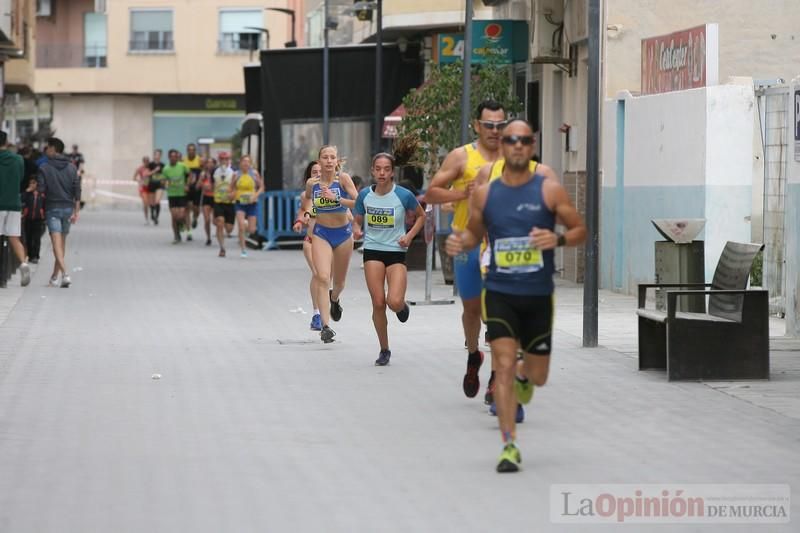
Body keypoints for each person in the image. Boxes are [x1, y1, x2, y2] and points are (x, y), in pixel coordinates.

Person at [446, 119, 586, 473]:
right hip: (500, 292)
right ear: (502, 147)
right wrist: (458, 242)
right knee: (503, 366)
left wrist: (558, 240)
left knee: (537, 376)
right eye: (510, 140)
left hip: (538, 295)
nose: (517, 146)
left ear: (532, 145)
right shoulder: (486, 193)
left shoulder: (549, 189)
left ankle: (527, 375)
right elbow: (473, 234)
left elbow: (580, 229)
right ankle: (508, 444)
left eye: (524, 140)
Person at [424, 99, 506, 401]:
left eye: (500, 125)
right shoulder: (462, 157)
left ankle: (497, 379)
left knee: (496, 313)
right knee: (472, 310)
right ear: (477, 126)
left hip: (500, 247)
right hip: (465, 244)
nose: (495, 131)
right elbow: (431, 193)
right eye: (489, 125)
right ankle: (474, 355)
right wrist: (462, 192)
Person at [353, 149, 425, 365]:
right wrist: (356, 228)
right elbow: (357, 218)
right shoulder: (365, 195)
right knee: (378, 303)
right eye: (378, 169)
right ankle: (384, 349)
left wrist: (410, 236)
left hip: (396, 252)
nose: (382, 173)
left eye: (386, 169)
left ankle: (402, 307)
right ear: (372, 171)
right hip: (373, 250)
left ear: (392, 172)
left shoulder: (403, 195)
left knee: (393, 301)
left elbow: (421, 216)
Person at [305, 145, 360, 343]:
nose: (329, 161)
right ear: (318, 161)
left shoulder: (343, 180)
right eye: (325, 157)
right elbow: (308, 202)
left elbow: (359, 202)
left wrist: (338, 199)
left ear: (337, 161)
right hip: (322, 233)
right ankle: (325, 327)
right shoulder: (312, 184)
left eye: (332, 157)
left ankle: (334, 299)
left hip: (343, 235)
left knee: (339, 283)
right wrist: (306, 216)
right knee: (321, 276)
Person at [37, 137, 81, 288]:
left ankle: (65, 274)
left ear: (53, 149)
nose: (46, 150)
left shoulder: (44, 167)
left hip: (52, 208)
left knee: (56, 244)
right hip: (68, 209)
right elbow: (77, 190)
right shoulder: (72, 167)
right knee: (61, 244)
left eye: (47, 147)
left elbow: (41, 190)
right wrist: (76, 211)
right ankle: (54, 277)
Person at [293, 160, 323, 331]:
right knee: (318, 274)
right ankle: (316, 314)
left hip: (329, 243)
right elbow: (303, 209)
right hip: (310, 242)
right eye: (314, 172)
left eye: (320, 171)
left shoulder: (332, 192)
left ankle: (331, 303)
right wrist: (300, 220)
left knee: (326, 278)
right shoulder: (306, 195)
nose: (318, 174)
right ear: (309, 176)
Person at [0, 131, 31, 287]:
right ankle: (23, 263)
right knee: (14, 237)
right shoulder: (18, 159)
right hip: (14, 203)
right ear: (6, 142)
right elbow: (20, 178)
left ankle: (1, 277)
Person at [230, 155, 264, 258]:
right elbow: (231, 188)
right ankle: (243, 250)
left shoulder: (254, 173)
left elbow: (262, 187)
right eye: (244, 161)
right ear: (240, 163)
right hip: (240, 202)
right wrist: (232, 194)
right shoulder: (236, 174)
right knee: (241, 226)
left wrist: (255, 196)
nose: (246, 163)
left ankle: (246, 224)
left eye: (248, 162)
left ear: (250, 163)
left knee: (252, 230)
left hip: (252, 203)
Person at [162, 149, 190, 244]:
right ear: (169, 157)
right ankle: (176, 236)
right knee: (174, 217)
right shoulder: (166, 169)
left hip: (182, 194)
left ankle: (181, 224)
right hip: (172, 195)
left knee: (181, 215)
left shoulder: (182, 166)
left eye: (175, 156)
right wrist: (165, 183)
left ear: (177, 157)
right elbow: (163, 180)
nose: (174, 158)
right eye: (172, 157)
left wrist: (187, 185)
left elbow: (190, 175)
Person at [212, 152, 236, 257]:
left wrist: (233, 193)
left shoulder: (233, 171)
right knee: (220, 223)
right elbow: (212, 185)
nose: (224, 161)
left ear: (229, 160)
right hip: (218, 202)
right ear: (219, 160)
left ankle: (227, 230)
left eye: (226, 159)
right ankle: (222, 248)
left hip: (230, 203)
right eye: (222, 159)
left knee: (229, 228)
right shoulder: (215, 171)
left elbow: (237, 186)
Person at [21, 177, 46, 265]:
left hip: (38, 219)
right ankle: (29, 254)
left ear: (37, 184)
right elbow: (21, 199)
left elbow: (44, 205)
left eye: (34, 183)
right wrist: (27, 191)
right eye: (30, 183)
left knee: (36, 238)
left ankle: (35, 256)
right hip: (28, 218)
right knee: (28, 237)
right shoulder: (27, 194)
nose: (32, 185)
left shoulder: (41, 194)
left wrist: (44, 216)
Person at [182, 143, 203, 233]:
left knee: (196, 208)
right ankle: (188, 230)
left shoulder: (199, 160)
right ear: (187, 151)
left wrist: (199, 182)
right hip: (187, 187)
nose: (191, 151)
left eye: (193, 150)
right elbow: (181, 174)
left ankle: (195, 218)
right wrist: (184, 185)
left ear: (195, 151)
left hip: (197, 187)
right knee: (187, 208)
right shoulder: (183, 160)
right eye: (189, 150)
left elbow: (203, 173)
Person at [199, 157, 216, 246]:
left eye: (211, 162)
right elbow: (198, 185)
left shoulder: (217, 173)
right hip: (206, 197)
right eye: (208, 162)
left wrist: (212, 187)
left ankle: (218, 233)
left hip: (215, 198)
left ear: (214, 164)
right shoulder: (203, 174)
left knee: (215, 221)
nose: (209, 164)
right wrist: (202, 183)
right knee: (207, 220)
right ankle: (208, 238)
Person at [147, 149, 166, 225]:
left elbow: (165, 175)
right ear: (154, 155)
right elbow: (147, 174)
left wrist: (164, 181)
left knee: (157, 201)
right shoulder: (150, 164)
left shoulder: (163, 165)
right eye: (155, 154)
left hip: (160, 185)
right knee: (151, 203)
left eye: (158, 155)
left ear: (160, 156)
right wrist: (154, 171)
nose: (157, 156)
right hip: (151, 184)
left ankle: (156, 217)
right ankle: (152, 214)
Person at [133, 156, 151, 224]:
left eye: (147, 161)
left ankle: (152, 216)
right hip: (143, 188)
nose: (146, 163)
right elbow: (134, 178)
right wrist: (140, 181)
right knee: (145, 203)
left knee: (150, 203)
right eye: (145, 161)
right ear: (143, 162)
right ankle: (146, 219)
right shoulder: (140, 169)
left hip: (151, 187)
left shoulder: (151, 168)